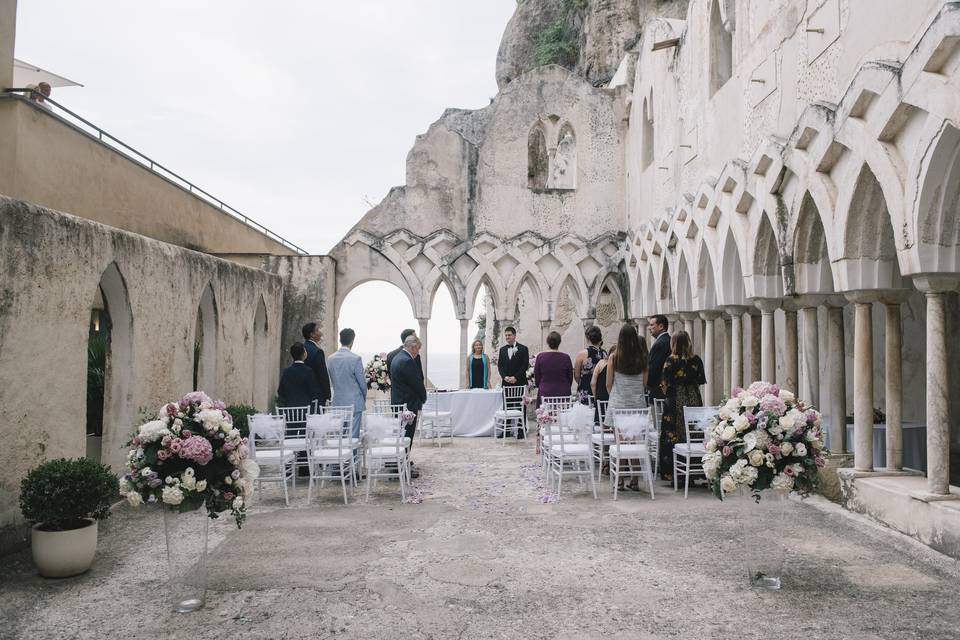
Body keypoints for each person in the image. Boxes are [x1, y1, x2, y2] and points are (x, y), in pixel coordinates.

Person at [605, 324, 649, 491]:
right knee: (636, 442)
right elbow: (645, 383)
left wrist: (617, 395)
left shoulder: (614, 357)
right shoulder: (642, 358)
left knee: (620, 443)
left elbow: (608, 383)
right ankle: (635, 480)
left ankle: (620, 479)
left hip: (619, 404)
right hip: (637, 404)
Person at [659, 330, 707, 482]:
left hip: (675, 399)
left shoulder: (670, 360)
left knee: (673, 433)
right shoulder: (696, 360)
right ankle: (693, 472)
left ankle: (674, 473)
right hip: (692, 397)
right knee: (693, 432)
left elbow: (664, 383)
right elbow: (700, 380)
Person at [390, 334, 427, 478]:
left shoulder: (396, 358)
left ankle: (399, 464)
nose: (418, 352)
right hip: (407, 404)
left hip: (398, 402)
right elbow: (416, 383)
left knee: (401, 435)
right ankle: (403, 467)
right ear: (412, 347)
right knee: (407, 435)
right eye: (417, 349)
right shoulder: (407, 361)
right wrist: (423, 397)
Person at [326, 328, 366, 441]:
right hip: (354, 401)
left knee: (340, 435)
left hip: (338, 401)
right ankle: (351, 457)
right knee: (353, 435)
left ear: (340, 339)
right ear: (352, 341)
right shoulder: (355, 358)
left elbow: (331, 381)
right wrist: (363, 397)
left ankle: (342, 457)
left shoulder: (330, 359)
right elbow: (362, 384)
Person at [533, 331, 573, 406]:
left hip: (545, 391)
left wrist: (541, 385)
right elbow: (570, 377)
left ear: (547, 342)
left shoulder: (540, 357)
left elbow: (537, 376)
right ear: (559, 342)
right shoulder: (566, 357)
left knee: (545, 415)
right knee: (563, 416)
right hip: (563, 392)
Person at [277, 342, 320, 408]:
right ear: (304, 354)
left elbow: (281, 391)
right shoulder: (309, 371)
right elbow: (314, 392)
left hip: (289, 412)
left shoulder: (286, 372)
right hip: (306, 412)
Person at [302, 322, 331, 408]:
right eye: (317, 330)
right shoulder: (318, 352)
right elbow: (323, 375)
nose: (320, 332)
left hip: (303, 393)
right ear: (312, 334)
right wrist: (328, 395)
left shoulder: (302, 348)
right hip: (316, 395)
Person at [574, 325, 606, 404]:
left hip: (585, 390)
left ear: (587, 338)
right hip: (600, 391)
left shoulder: (581, 354)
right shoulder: (605, 354)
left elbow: (577, 376)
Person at [646, 314, 671, 404]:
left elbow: (654, 368)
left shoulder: (660, 344)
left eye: (652, 325)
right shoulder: (667, 340)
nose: (649, 328)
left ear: (661, 326)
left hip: (659, 391)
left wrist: (647, 384)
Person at [591, 343, 615, 423]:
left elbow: (593, 383)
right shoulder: (620, 366)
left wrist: (596, 397)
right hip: (614, 398)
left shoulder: (601, 363)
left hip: (601, 397)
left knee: (600, 424)